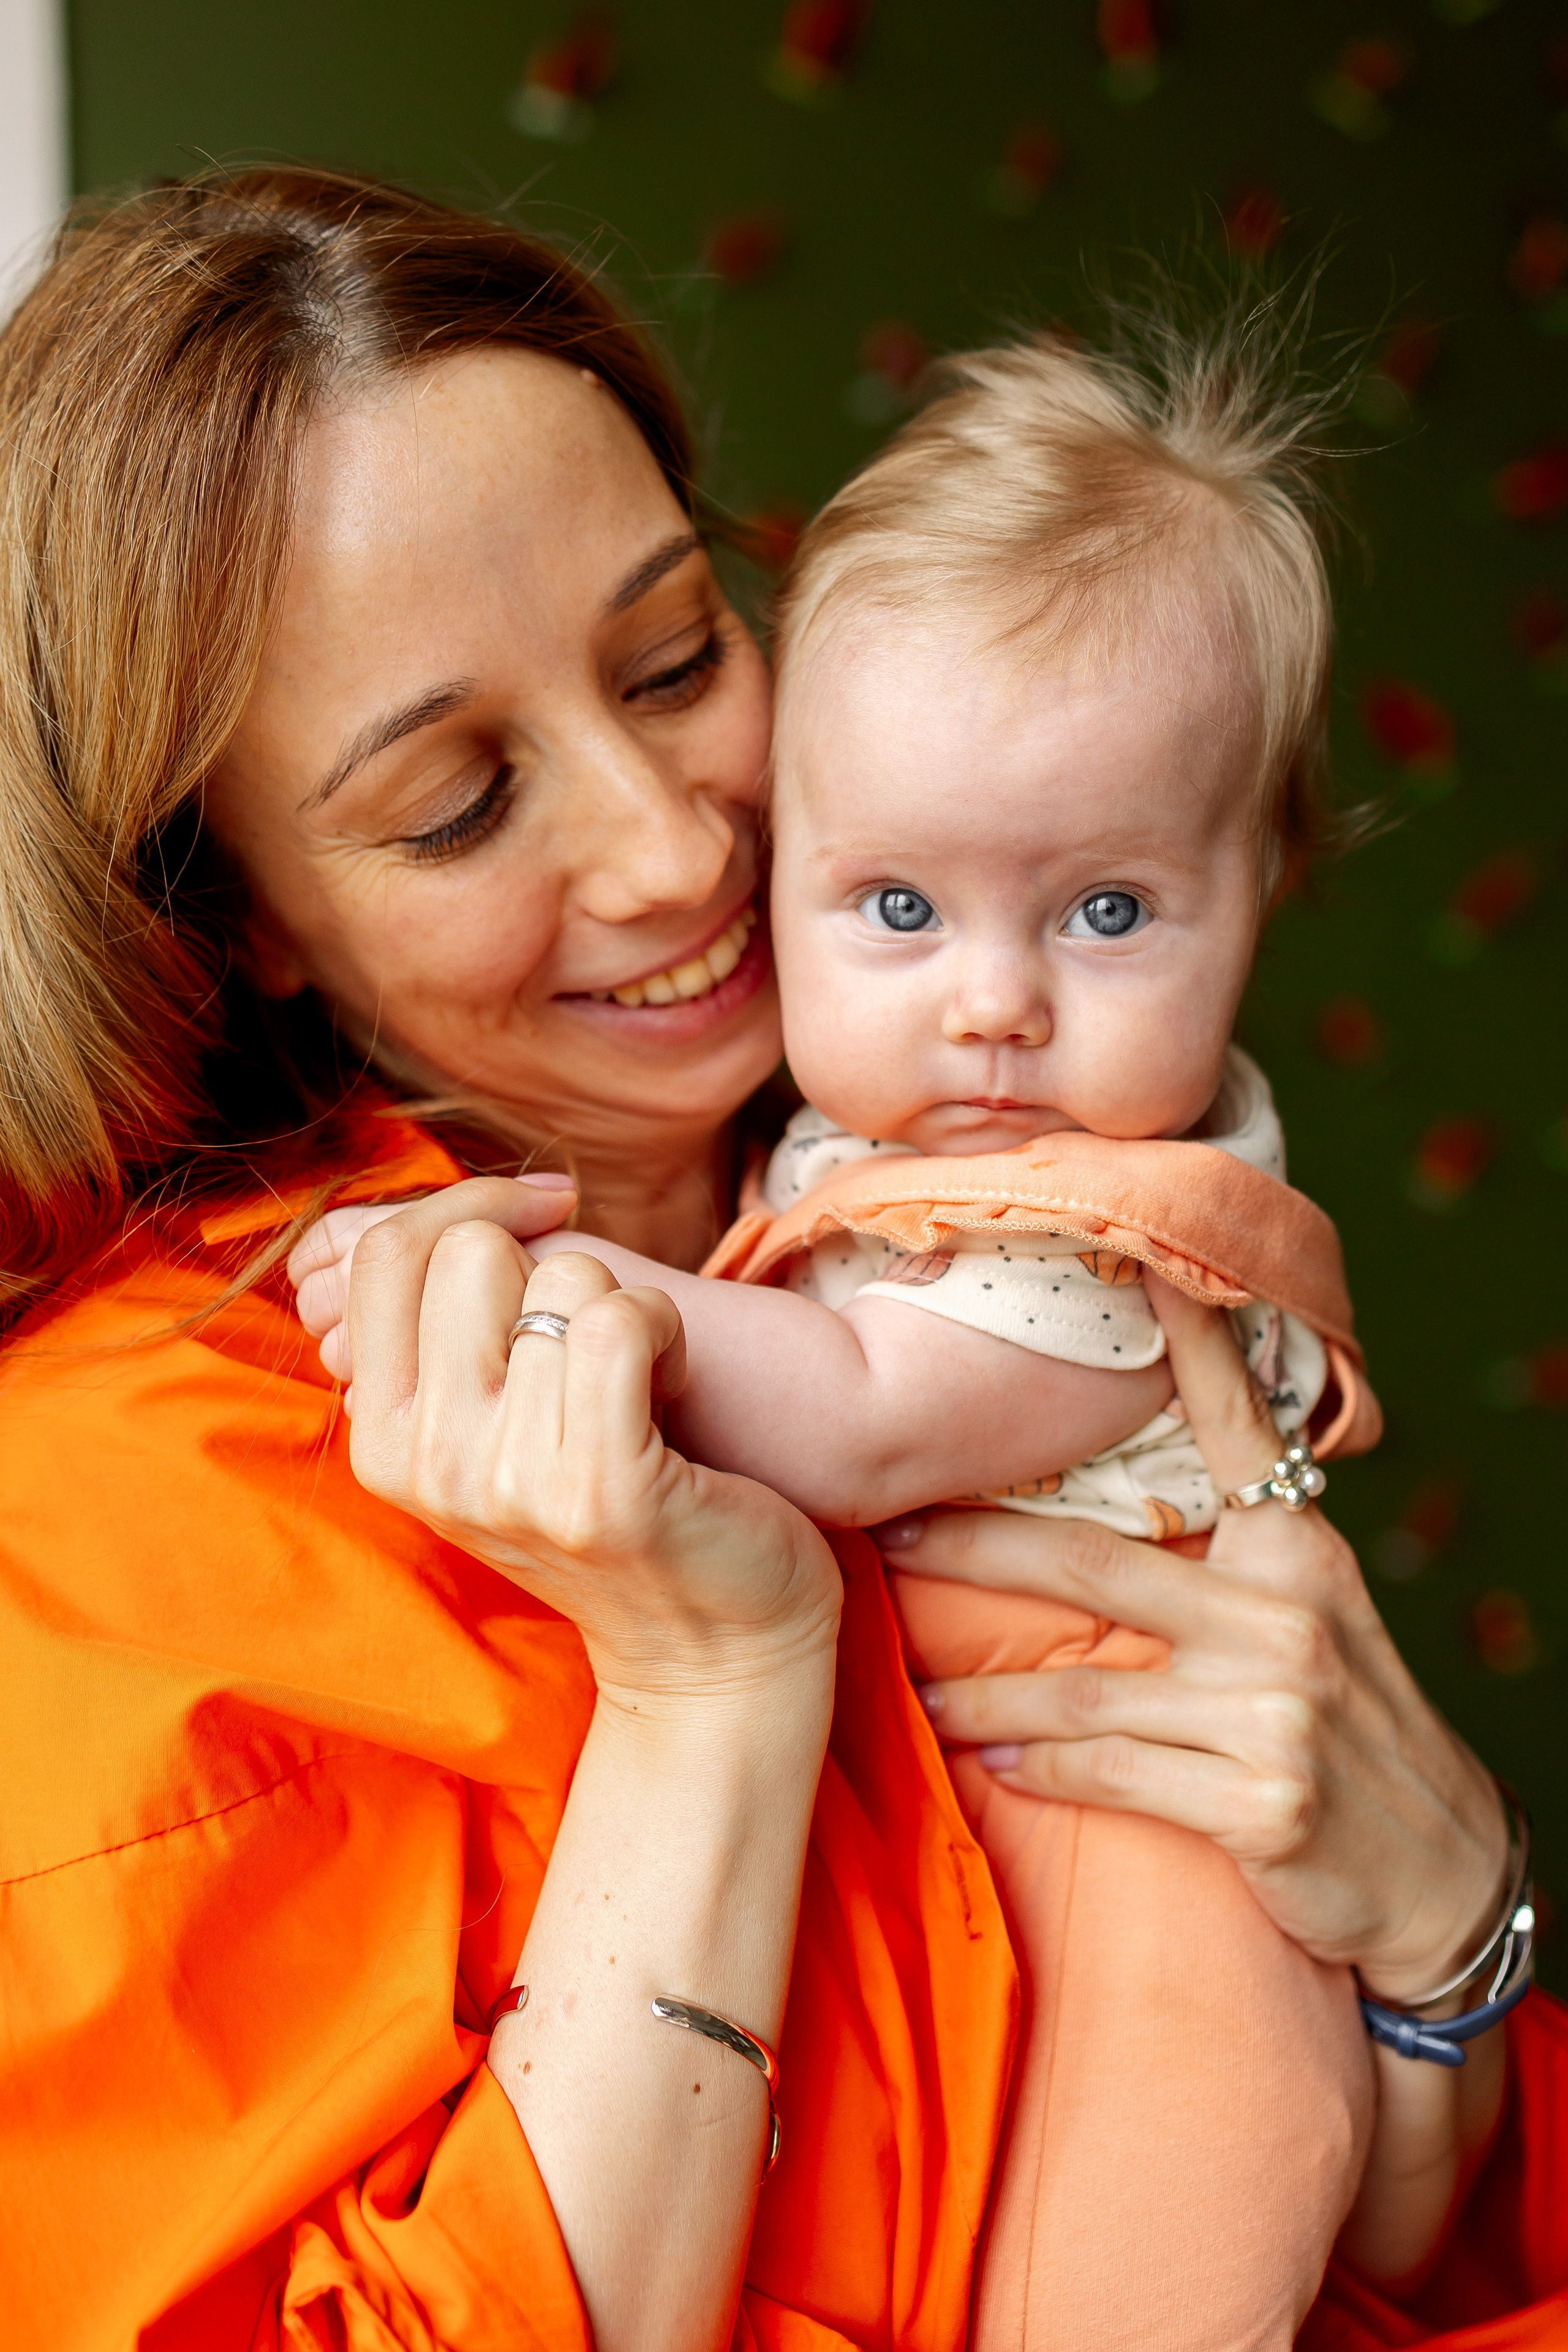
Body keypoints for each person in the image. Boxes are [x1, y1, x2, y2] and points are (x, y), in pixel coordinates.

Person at [0, 165, 1562, 2352]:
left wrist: (1446, 1939)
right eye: (459, 803)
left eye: (674, 657)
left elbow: (1385, 2253)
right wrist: (713, 1693)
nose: (676, 844)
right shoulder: (105, 1524)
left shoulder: (945, 1178)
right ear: (231, 908)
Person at [294, 322, 1389, 2352]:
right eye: (897, 907)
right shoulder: (854, 1144)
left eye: (1110, 914)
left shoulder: (1120, 1225)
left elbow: (870, 1410)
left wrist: (562, 1296)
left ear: (1264, 896)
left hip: (1160, 1922)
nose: (993, 1004)